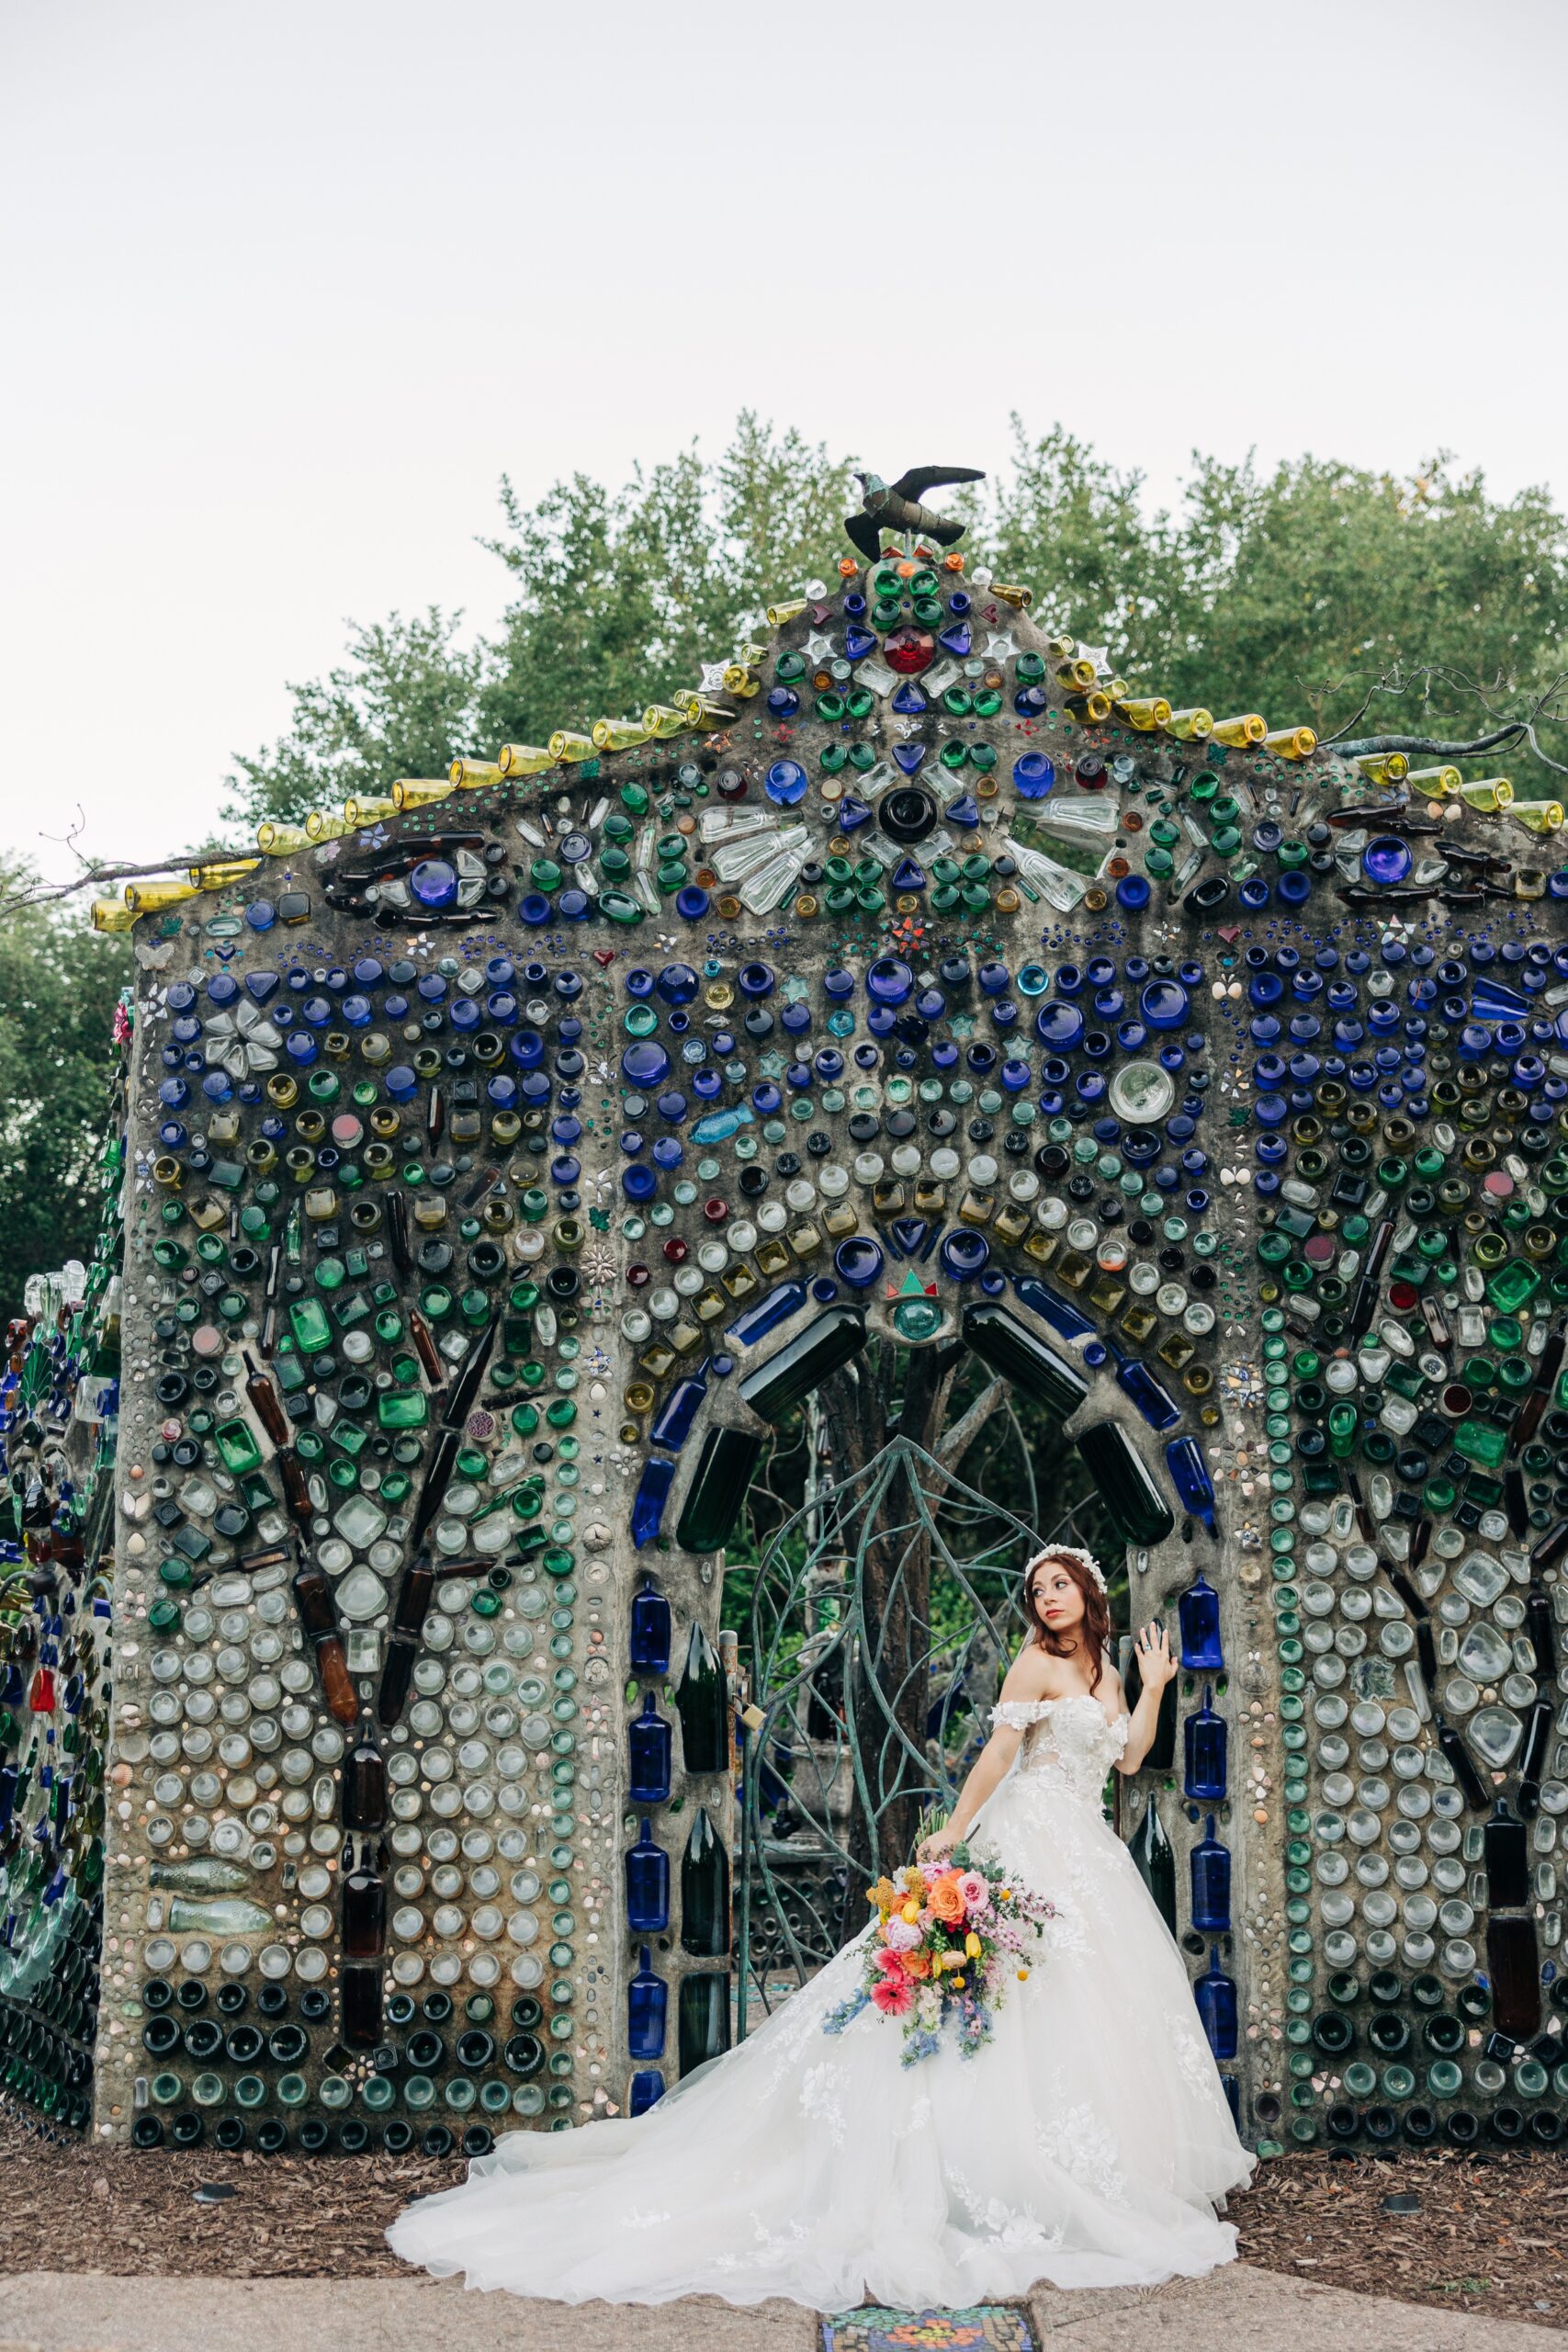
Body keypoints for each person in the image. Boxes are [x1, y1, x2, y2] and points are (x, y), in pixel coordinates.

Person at [388, 1544, 1255, 2308]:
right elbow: (998, 1755)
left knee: (1082, 2005)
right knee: (982, 1997)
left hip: (1087, 1852)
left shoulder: (1105, 1674)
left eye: (1060, 1585)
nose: (1047, 1598)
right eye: (1037, 1589)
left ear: (1088, 1595)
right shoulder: (1032, 1663)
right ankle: (962, 2166)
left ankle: (1079, 2171)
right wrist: (954, 1831)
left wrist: (1151, 1689)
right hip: (1026, 1838)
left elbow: (1133, 1758)